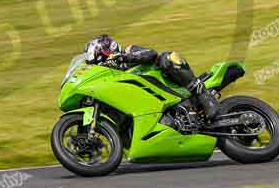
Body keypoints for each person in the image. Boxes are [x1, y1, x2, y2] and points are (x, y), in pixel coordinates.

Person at [83, 34, 220, 123]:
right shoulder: (112, 78)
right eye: (97, 64)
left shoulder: (129, 51)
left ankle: (204, 96)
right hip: (151, 105)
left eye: (101, 61)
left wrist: (124, 58)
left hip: (170, 87)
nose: (101, 65)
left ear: (108, 51)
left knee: (167, 57)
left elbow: (151, 53)